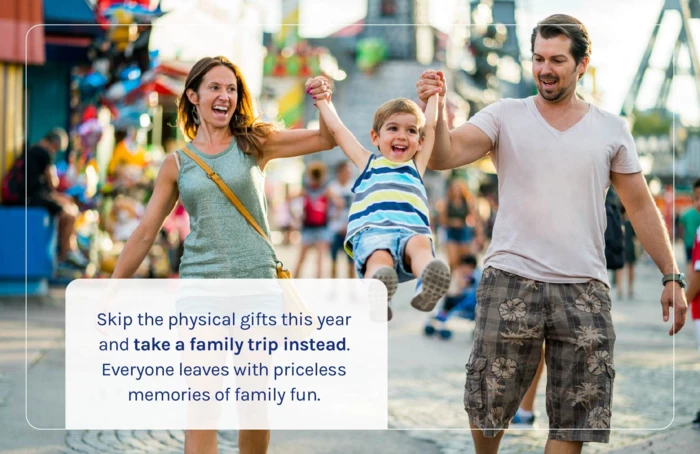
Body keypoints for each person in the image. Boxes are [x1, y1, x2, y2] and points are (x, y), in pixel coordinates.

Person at [416, 14, 687, 453]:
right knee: (488, 404)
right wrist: (434, 111)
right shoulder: (505, 115)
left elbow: (639, 206)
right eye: (539, 58)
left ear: (582, 64)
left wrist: (671, 276)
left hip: (584, 288)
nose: (545, 68)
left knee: (577, 418)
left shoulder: (611, 128)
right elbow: (445, 155)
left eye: (557, 60)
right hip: (510, 280)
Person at [110, 56, 335, 454]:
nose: (224, 96)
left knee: (254, 401)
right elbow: (145, 232)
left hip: (257, 288)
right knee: (202, 402)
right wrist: (110, 289)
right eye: (214, 87)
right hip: (200, 290)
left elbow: (325, 139)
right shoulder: (176, 164)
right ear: (193, 95)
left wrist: (323, 101)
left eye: (231, 89)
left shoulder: (254, 143)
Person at [314, 94, 450, 320]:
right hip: (374, 231)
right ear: (375, 137)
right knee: (379, 258)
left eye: (411, 131)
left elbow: (432, 126)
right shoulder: (367, 162)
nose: (402, 136)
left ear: (421, 141)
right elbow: (338, 130)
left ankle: (429, 282)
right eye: (393, 128)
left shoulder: (416, 166)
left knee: (420, 247)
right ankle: (377, 294)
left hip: (412, 231)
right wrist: (322, 102)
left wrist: (436, 95)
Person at [2, 128, 88, 268]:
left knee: (68, 206)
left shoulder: (32, 150)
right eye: (57, 148)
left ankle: (68, 250)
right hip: (30, 198)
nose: (56, 152)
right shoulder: (44, 153)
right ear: (54, 143)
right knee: (68, 213)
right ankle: (66, 252)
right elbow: (53, 183)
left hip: (26, 196)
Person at [424, 254, 481, 339]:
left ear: (470, 266)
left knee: (451, 299)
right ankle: (440, 316)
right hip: (465, 298)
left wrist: (459, 277)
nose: (463, 268)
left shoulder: (474, 275)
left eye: (464, 266)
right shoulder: (472, 274)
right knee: (449, 298)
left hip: (470, 301)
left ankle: (442, 317)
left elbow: (464, 285)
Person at [293, 161, 332, 278]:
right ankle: (294, 281)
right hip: (309, 227)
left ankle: (317, 285)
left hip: (321, 227)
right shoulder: (306, 190)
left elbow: (339, 204)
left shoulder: (326, 191)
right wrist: (296, 216)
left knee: (319, 261)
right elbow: (290, 200)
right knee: (302, 258)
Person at [437, 179, 480, 268]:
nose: (456, 191)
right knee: (452, 261)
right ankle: (452, 280)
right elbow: (441, 219)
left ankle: (461, 280)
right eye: (454, 188)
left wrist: (478, 233)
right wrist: (452, 222)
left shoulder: (467, 202)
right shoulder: (447, 202)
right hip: (451, 232)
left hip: (464, 231)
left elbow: (474, 217)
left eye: (458, 188)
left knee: (463, 260)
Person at [327, 160, 356, 278]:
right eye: (346, 171)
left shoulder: (354, 187)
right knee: (333, 260)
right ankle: (334, 286)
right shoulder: (332, 187)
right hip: (334, 229)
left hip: (349, 229)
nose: (349, 173)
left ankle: (352, 286)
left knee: (351, 261)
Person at [678, 179, 700, 275]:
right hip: (693, 241)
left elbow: (681, 226)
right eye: (697, 198)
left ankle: (690, 280)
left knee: (690, 262)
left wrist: (683, 237)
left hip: (688, 241)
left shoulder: (687, 214)